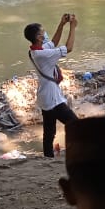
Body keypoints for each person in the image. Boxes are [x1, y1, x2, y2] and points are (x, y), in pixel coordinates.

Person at [25, 14, 78, 157]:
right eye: (43, 32)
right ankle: (75, 152)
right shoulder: (43, 55)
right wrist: (73, 27)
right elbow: (69, 48)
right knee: (75, 125)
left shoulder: (35, 51)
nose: (45, 33)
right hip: (53, 98)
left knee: (49, 132)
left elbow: (53, 43)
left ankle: (48, 159)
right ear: (38, 37)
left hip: (44, 97)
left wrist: (62, 24)